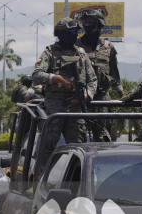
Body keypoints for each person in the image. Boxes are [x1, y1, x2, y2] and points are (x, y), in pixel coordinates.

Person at [32, 18, 98, 155]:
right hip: (54, 105)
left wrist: (86, 94)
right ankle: (43, 173)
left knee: (79, 148)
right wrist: (56, 78)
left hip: (76, 106)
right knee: (47, 145)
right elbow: (37, 75)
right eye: (73, 31)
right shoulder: (49, 52)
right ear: (62, 33)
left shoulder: (81, 53)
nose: (76, 35)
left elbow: (92, 80)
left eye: (77, 32)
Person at [76, 9, 124, 142]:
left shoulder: (109, 47)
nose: (87, 25)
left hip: (102, 98)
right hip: (81, 99)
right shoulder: (75, 46)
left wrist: (122, 96)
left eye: (91, 22)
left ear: (99, 24)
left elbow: (114, 73)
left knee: (103, 138)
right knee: (78, 137)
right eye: (85, 22)